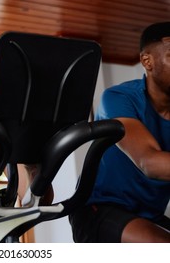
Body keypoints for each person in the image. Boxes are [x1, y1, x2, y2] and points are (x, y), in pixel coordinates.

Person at [69, 21, 170, 243]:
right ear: (147, 61)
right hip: (98, 209)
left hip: (149, 215)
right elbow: (149, 162)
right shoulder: (119, 98)